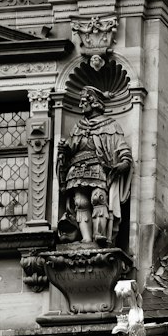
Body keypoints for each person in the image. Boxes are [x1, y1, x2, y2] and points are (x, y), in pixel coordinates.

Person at [56, 86, 133, 245]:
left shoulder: (111, 125)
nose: (80, 105)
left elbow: (122, 146)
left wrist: (125, 161)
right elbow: (72, 148)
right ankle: (86, 239)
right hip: (76, 170)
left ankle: (100, 235)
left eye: (84, 102)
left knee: (98, 198)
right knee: (80, 203)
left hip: (99, 168)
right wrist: (65, 149)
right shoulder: (78, 127)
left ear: (94, 103)